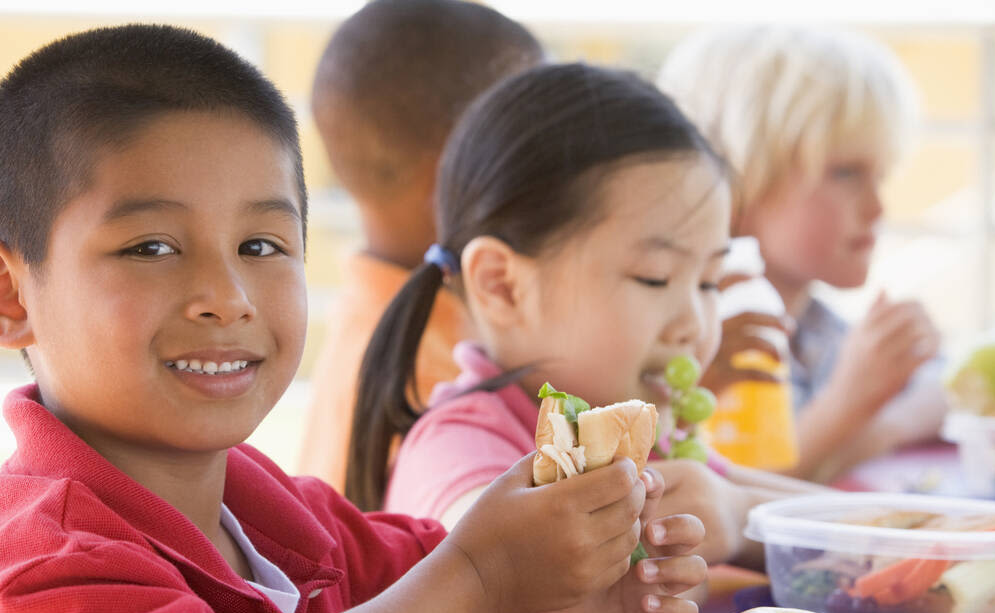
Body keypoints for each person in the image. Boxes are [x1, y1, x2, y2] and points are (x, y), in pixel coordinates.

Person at [0, 25, 708, 613]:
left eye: (261, 246)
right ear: (7, 294)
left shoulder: (271, 515)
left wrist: (546, 611)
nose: (226, 298)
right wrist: (479, 577)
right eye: (151, 247)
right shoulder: (32, 577)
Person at [347, 62, 823, 572]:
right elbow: (489, 579)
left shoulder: (633, 435)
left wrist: (738, 514)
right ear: (502, 286)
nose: (695, 324)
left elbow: (828, 519)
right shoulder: (459, 448)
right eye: (655, 277)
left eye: (708, 282)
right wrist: (735, 518)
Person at [658, 26, 946, 483]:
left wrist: (875, 427)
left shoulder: (817, 329)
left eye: (882, 174)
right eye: (847, 173)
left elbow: (941, 392)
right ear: (738, 177)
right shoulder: (704, 338)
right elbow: (721, 497)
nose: (878, 207)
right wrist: (848, 405)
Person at [298, 0, 544, 491]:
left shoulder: (392, 321)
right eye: (534, 145)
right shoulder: (432, 378)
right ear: (458, 166)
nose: (558, 167)